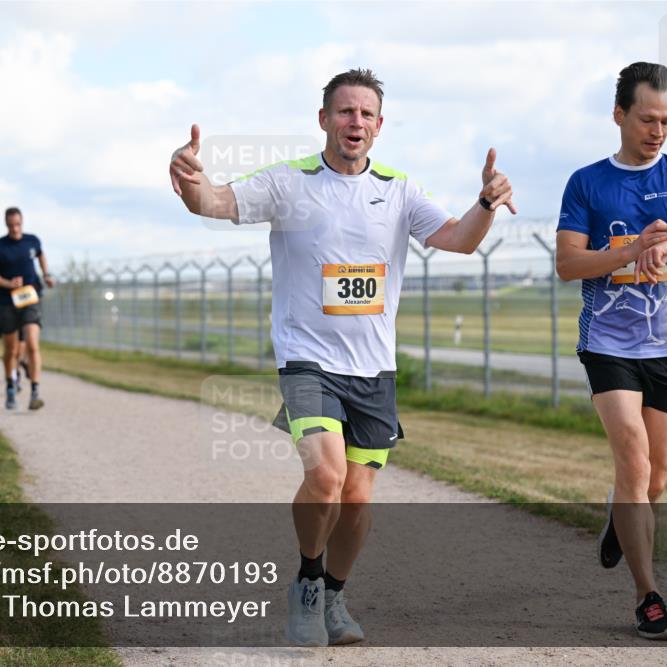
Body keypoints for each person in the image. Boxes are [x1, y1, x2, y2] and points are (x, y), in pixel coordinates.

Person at [169, 67, 515, 647]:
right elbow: (215, 202)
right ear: (324, 119)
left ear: (379, 127)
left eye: (367, 114)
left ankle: (333, 593)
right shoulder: (288, 182)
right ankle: (306, 582)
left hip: (373, 369)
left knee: (357, 499)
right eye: (345, 111)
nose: (356, 122)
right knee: (325, 475)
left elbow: (459, 239)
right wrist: (189, 178)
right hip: (307, 360)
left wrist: (484, 201)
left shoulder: (399, 190)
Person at [556, 62, 667, 641]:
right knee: (632, 460)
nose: (658, 130)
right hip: (607, 341)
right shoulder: (587, 182)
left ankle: (620, 517)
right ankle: (647, 597)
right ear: (619, 115)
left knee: (653, 481)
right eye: (647, 118)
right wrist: (629, 252)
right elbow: (567, 263)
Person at [0, 207, 55, 410]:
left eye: (18, 224)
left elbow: (41, 256)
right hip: (7, 302)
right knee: (11, 349)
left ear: (22, 222)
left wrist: (46, 274)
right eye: (11, 225)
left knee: (32, 344)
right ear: (6, 224)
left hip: (30, 299)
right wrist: (7, 283)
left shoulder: (32, 241)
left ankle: (35, 391)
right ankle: (10, 385)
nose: (15, 229)